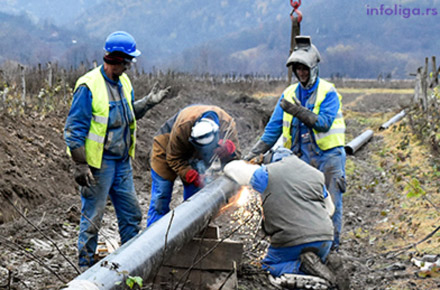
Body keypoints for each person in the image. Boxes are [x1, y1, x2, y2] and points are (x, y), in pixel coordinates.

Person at [64, 31, 170, 269]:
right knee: (93, 218)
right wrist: (80, 164)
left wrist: (149, 102)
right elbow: (74, 129)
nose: (130, 66)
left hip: (122, 162)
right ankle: (85, 266)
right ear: (117, 58)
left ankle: (129, 264)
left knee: (131, 215)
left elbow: (129, 113)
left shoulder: (124, 82)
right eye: (128, 61)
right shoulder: (88, 86)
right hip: (98, 167)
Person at [245, 36, 346, 251]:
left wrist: (296, 110)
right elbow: (273, 130)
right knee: (302, 202)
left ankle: (332, 248)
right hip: (301, 158)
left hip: (328, 156)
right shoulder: (289, 93)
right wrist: (252, 155)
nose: (301, 73)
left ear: (313, 68)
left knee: (331, 203)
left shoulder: (328, 92)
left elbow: (324, 123)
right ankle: (306, 244)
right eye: (297, 69)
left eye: (304, 68)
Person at [224, 148, 349, 290]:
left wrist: (250, 164)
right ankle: (323, 267)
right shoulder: (316, 174)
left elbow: (231, 169)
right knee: (308, 255)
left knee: (268, 266)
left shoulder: (266, 174)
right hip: (324, 238)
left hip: (290, 241)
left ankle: (300, 268)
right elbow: (330, 209)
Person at [147, 105, 241, 226]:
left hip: (195, 155)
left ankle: (192, 230)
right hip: (167, 150)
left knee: (196, 197)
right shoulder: (183, 127)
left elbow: (237, 157)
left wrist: (229, 150)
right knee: (161, 197)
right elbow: (173, 157)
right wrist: (191, 174)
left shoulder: (227, 125)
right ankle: (155, 234)